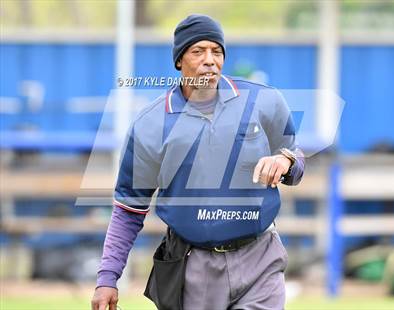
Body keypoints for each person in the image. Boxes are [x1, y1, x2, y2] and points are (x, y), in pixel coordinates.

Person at [91, 14, 304, 310]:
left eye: (216, 52)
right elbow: (129, 209)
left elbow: (294, 158)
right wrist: (107, 278)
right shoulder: (150, 125)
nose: (209, 60)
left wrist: (286, 161)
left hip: (261, 257)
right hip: (194, 267)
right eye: (197, 51)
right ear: (179, 61)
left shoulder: (264, 102)